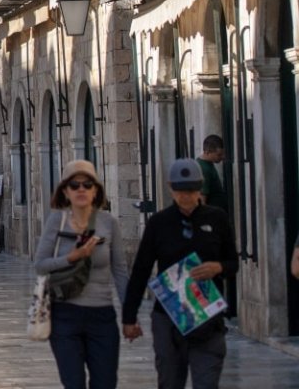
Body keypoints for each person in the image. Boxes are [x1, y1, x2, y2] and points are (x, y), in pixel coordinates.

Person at [123, 158, 238, 389]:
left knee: (207, 381)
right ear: (170, 188)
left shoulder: (217, 218)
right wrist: (129, 317)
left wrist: (219, 267)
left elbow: (232, 262)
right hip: (168, 316)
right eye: (180, 190)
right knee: (169, 380)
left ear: (200, 187)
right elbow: (141, 270)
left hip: (206, 314)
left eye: (191, 189)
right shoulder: (158, 223)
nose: (186, 196)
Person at [34, 160, 128, 389]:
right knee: (73, 383)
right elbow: (40, 265)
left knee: (105, 383)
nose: (81, 189)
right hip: (64, 315)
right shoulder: (57, 221)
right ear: (65, 191)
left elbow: (120, 270)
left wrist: (130, 314)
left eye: (87, 184)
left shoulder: (108, 222)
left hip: (102, 316)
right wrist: (71, 257)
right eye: (74, 185)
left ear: (96, 189)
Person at [197, 135, 227, 212]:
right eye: (219, 155)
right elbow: (202, 198)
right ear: (207, 152)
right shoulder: (204, 169)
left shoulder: (207, 164)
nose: (223, 157)